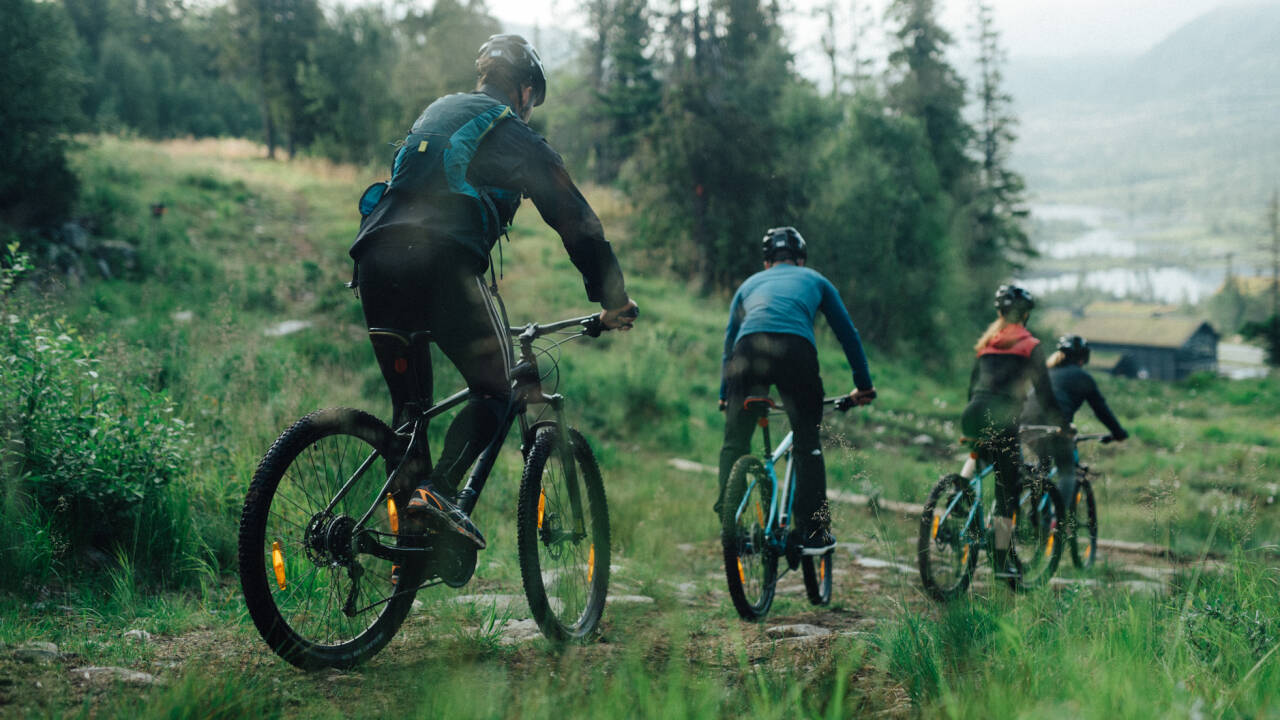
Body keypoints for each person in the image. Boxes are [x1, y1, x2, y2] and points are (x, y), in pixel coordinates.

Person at [348, 34, 638, 550]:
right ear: (525, 91)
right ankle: (435, 495)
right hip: (439, 263)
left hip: (374, 260)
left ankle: (407, 554)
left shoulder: (440, 110)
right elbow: (576, 221)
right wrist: (612, 298)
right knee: (499, 389)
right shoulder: (515, 134)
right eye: (534, 101)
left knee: (410, 415)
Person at [716, 227, 876, 555]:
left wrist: (724, 392)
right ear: (800, 260)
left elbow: (729, 341)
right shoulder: (816, 280)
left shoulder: (748, 285)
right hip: (795, 352)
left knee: (734, 442)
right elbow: (848, 333)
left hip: (747, 352)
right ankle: (813, 531)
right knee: (806, 443)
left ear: (766, 263)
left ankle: (729, 518)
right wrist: (863, 384)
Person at [962, 285, 1066, 579]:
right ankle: (1000, 561)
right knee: (1008, 488)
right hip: (1002, 418)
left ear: (1000, 312)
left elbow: (972, 388)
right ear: (1026, 314)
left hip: (971, 415)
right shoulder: (1030, 345)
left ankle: (959, 501)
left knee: (988, 467)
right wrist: (1063, 425)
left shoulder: (987, 343)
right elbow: (1044, 394)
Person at [1024, 334, 1128, 519]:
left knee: (1044, 465)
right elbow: (1101, 409)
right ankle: (1059, 520)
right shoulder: (1082, 377)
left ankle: (1038, 514)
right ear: (1084, 358)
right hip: (1056, 427)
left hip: (1026, 425)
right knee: (1067, 471)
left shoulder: (1046, 372)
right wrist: (1118, 433)